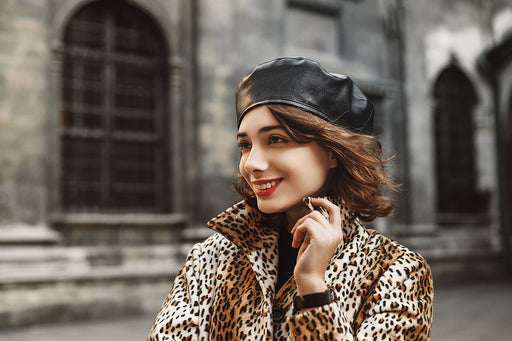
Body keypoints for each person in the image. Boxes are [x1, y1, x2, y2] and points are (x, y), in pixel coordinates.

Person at [148, 57, 433, 340]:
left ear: (333, 151)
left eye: (276, 139)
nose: (251, 164)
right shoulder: (211, 259)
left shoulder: (395, 271)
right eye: (245, 145)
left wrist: (313, 291)